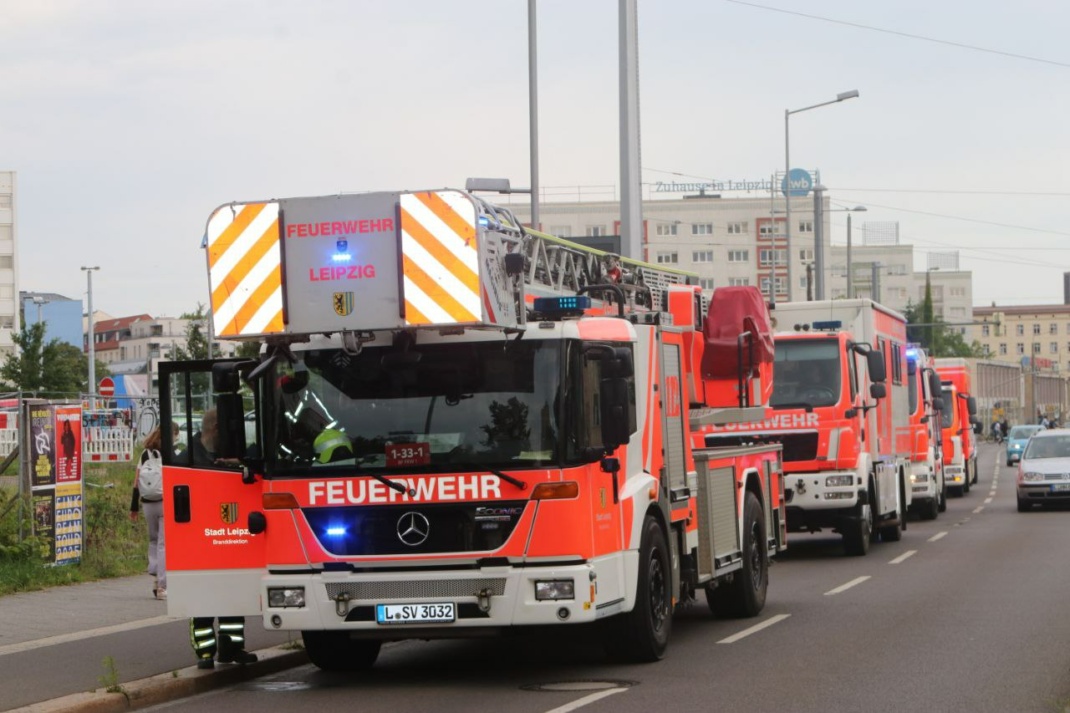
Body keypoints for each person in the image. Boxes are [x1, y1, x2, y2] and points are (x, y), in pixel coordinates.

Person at [188, 409, 258, 670]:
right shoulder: (188, 456)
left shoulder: (229, 453)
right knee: (202, 597)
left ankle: (232, 648)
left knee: (233, 593)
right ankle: (205, 652)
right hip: (199, 535)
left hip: (229, 533)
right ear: (216, 428)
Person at [130, 426, 167, 600]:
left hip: (147, 503)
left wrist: (133, 507)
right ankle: (161, 586)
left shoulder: (145, 454)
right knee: (163, 544)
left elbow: (136, 482)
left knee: (153, 540)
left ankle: (154, 572)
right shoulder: (169, 453)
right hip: (164, 502)